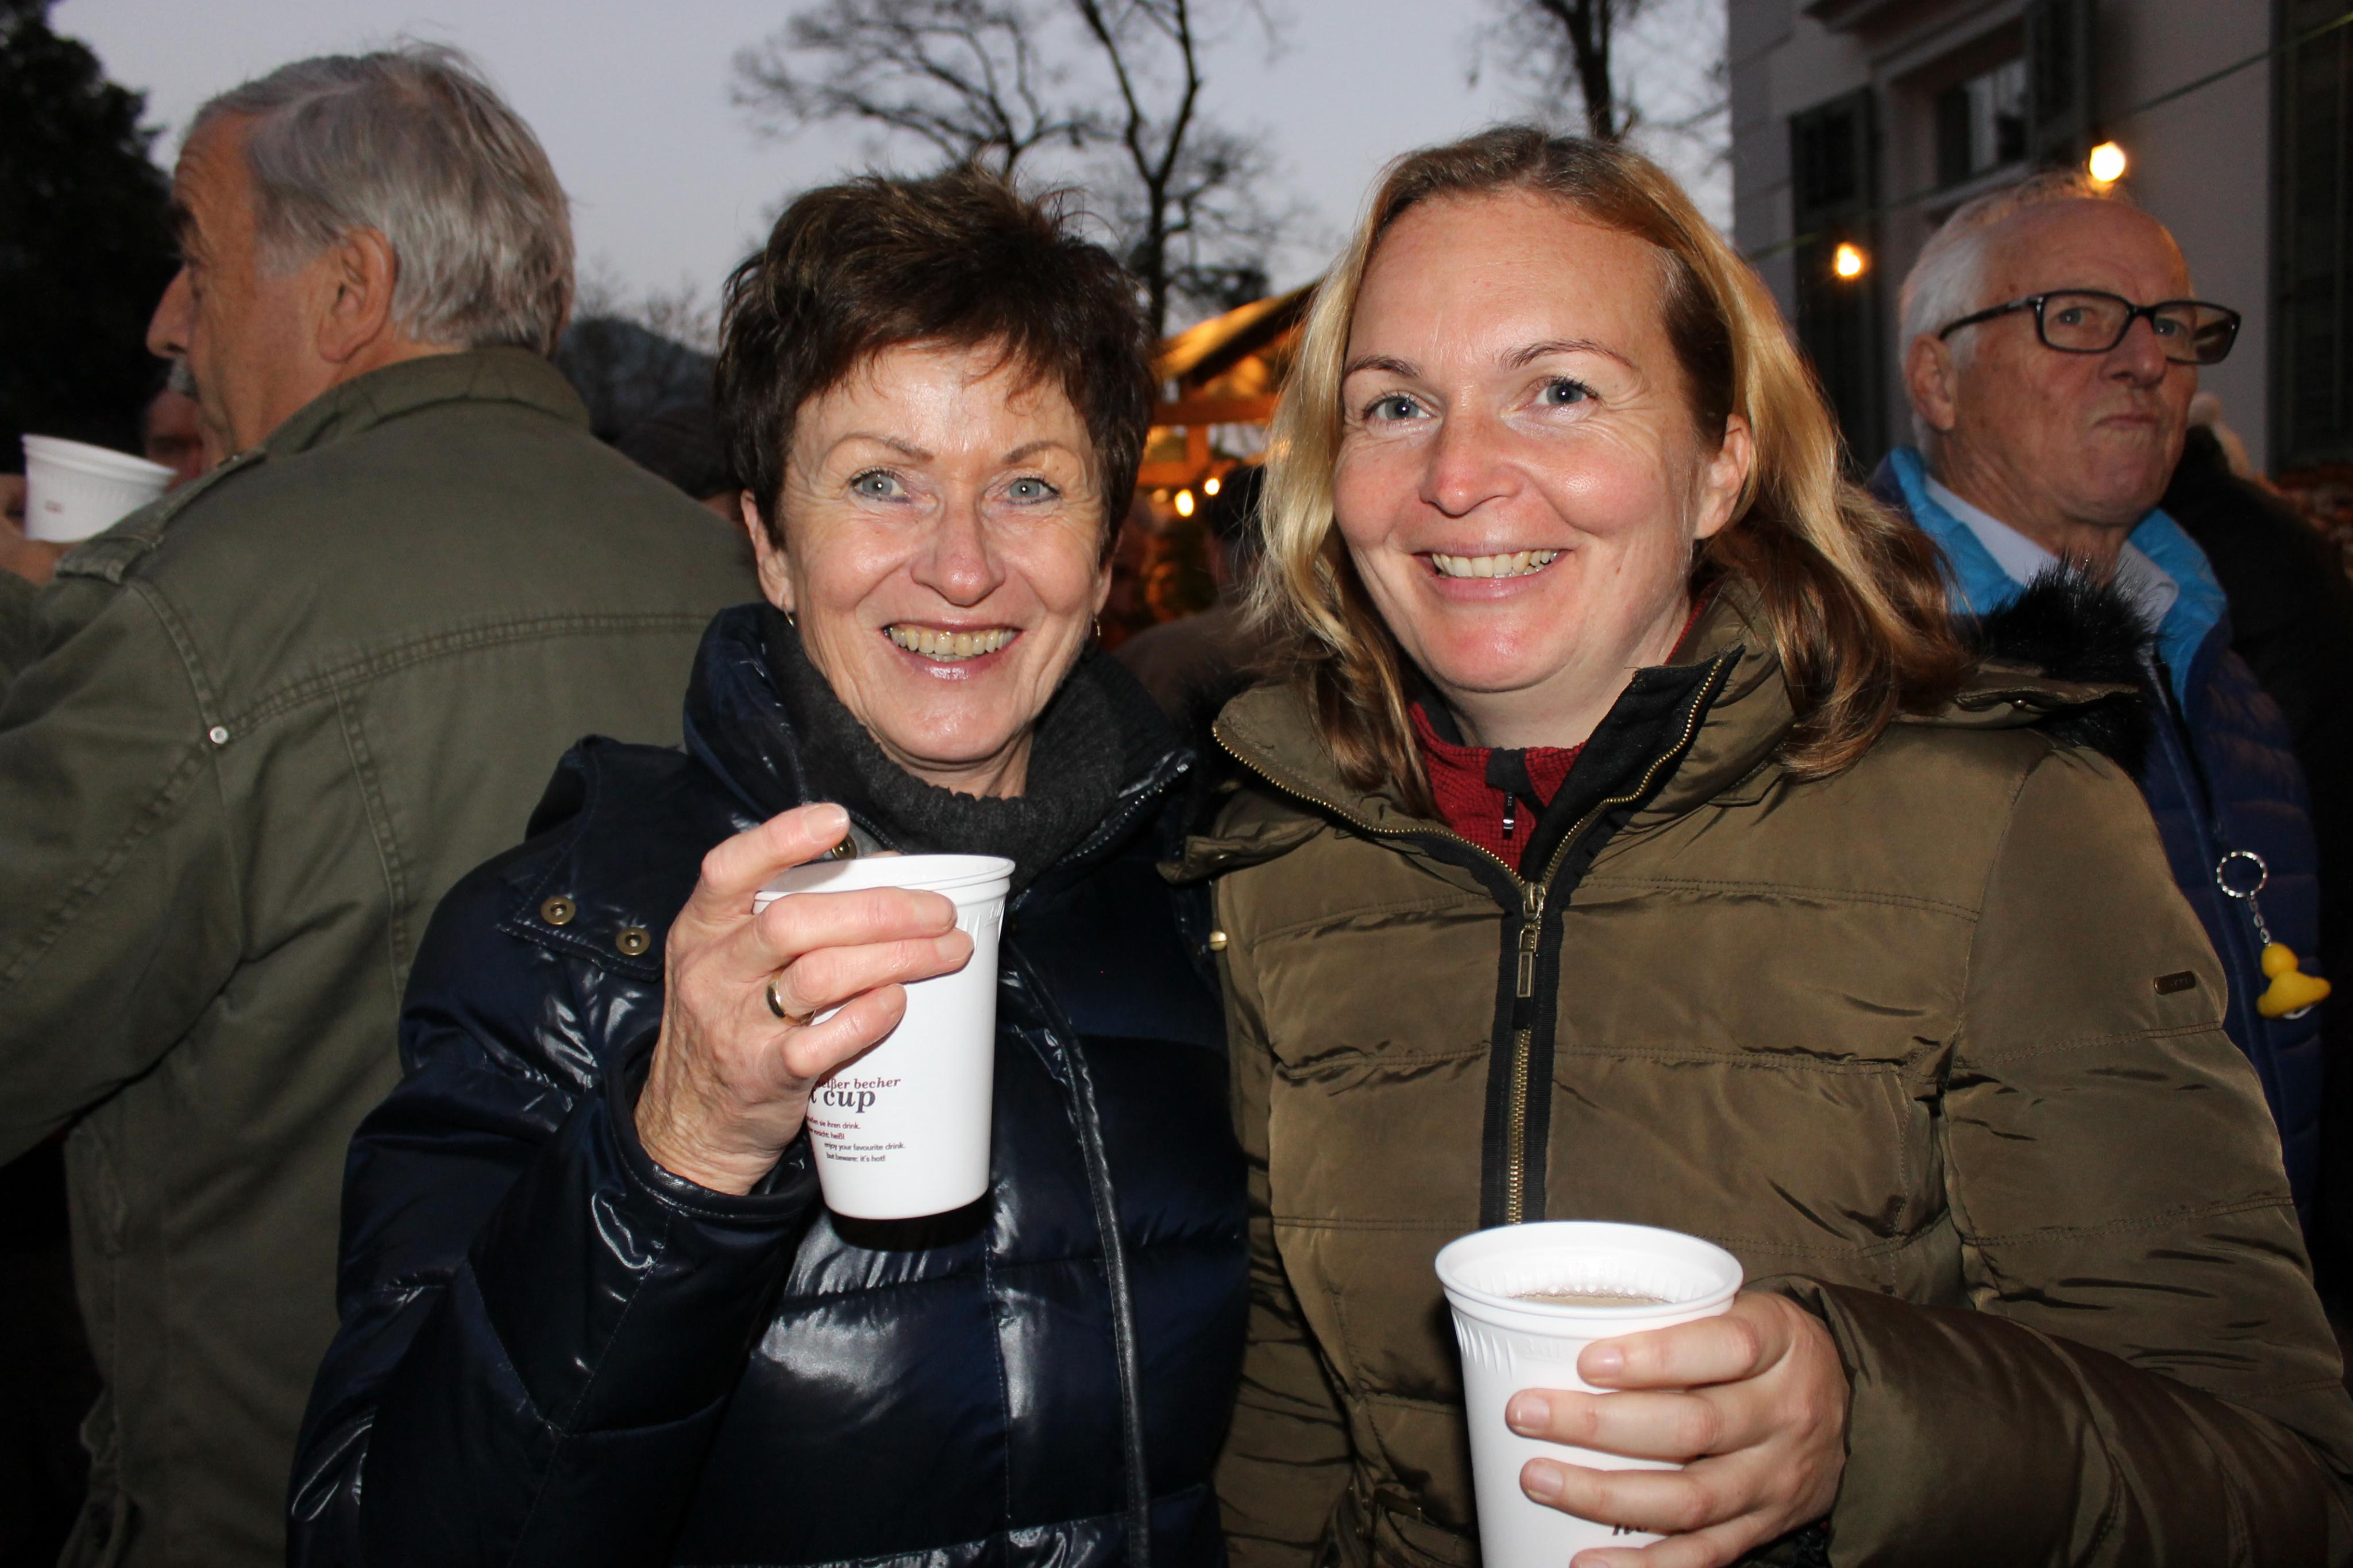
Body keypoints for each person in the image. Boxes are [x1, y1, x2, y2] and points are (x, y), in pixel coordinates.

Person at [1194, 127, 2353, 1568]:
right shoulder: (1283, 855)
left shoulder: (2007, 825)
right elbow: (1295, 1424)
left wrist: (1867, 1427)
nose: (1457, 473)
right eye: (1393, 404)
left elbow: (2270, 1476)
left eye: (1558, 391)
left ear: (1718, 464)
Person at [289, 168, 1244, 1566]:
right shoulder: (556, 943)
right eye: (879, 483)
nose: (960, 567)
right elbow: (376, 1538)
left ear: (1105, 557)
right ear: (771, 546)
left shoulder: (1200, 906)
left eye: (1029, 486)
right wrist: (677, 1149)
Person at [0, 48, 754, 1565]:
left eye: (196, 259)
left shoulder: (205, 602)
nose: (165, 319)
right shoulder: (733, 583)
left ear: (351, 291)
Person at [1878, 172, 2329, 1227]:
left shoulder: (2209, 646)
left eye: (2171, 325)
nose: (2147, 362)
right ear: (1938, 381)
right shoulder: (1858, 665)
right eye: (2077, 317)